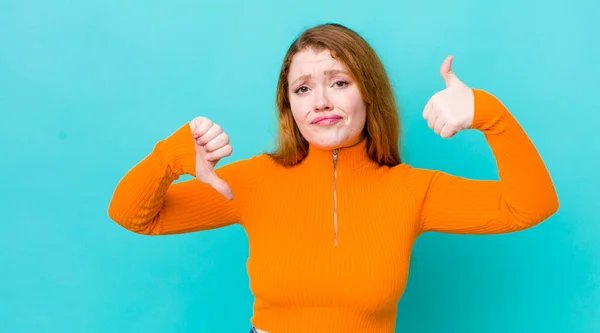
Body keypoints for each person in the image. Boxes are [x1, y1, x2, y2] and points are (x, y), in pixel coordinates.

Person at [108, 23, 559, 333]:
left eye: (339, 81)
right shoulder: (252, 182)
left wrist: (488, 114)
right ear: (291, 110)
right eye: (303, 88)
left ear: (369, 93)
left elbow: (530, 205)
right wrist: (169, 157)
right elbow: (133, 216)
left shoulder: (413, 190)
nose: (320, 100)